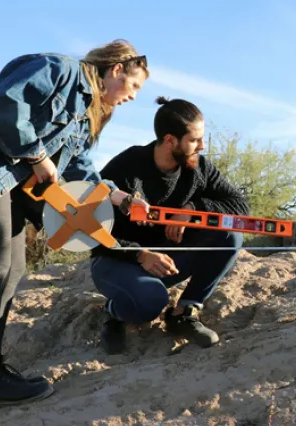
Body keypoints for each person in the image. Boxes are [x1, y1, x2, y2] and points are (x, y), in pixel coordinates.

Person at [0, 39, 150, 410]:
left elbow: (78, 168)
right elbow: (3, 103)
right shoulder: (58, 69)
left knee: (12, 267)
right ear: (116, 70)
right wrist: (36, 155)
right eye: (134, 87)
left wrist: (119, 197)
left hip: (1, 179)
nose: (133, 97)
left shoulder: (86, 114)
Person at [90, 96, 250, 355]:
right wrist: (139, 254)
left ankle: (184, 312)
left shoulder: (200, 168)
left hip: (164, 259)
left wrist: (192, 210)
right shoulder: (127, 165)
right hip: (114, 260)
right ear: (170, 141)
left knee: (230, 235)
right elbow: (91, 228)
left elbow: (240, 206)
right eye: (194, 140)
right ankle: (115, 312)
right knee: (151, 301)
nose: (201, 146)